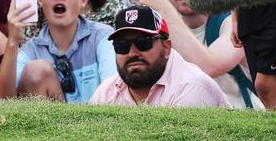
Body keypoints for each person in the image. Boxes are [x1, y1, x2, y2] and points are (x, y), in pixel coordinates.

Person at [125, 0, 260, 109]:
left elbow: (208, 67)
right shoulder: (157, 30)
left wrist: (163, 7)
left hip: (240, 122)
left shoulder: (231, 22)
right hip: (187, 126)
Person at [0, 0, 116, 103]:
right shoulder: (31, 51)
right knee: (37, 70)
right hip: (51, 126)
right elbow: (1, 102)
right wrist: (13, 42)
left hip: (99, 123)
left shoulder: (103, 36)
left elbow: (114, 96)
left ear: (83, 0)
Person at [90, 6, 228, 108]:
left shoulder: (192, 87)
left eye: (143, 43)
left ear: (167, 47)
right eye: (122, 45)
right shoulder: (106, 92)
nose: (132, 53)